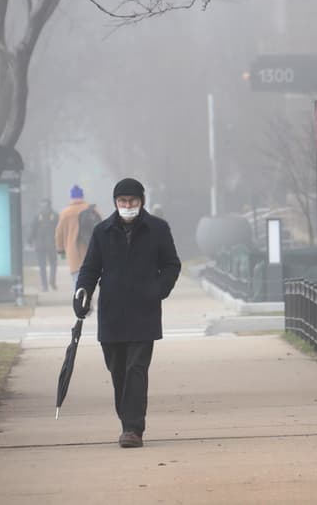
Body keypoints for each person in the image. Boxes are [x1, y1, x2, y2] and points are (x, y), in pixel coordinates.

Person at [73, 177, 181, 448]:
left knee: (136, 369)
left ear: (141, 201)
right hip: (112, 313)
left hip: (144, 312)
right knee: (118, 370)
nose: (128, 205)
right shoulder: (102, 231)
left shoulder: (157, 229)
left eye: (132, 201)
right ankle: (127, 422)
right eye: (122, 201)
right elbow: (90, 268)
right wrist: (82, 294)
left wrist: (158, 290)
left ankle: (132, 429)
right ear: (115, 202)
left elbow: (172, 264)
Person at [54, 185, 92, 286]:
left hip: (73, 252)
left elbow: (59, 233)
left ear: (71, 197)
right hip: (91, 251)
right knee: (90, 280)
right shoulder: (92, 210)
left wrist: (61, 250)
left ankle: (81, 295)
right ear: (82, 196)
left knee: (77, 281)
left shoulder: (65, 213)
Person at [29, 199, 59, 292]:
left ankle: (44, 286)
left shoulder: (37, 216)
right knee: (53, 264)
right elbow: (59, 229)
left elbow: (32, 229)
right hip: (52, 244)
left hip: (40, 245)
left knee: (42, 266)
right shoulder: (55, 215)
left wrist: (29, 241)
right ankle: (52, 281)